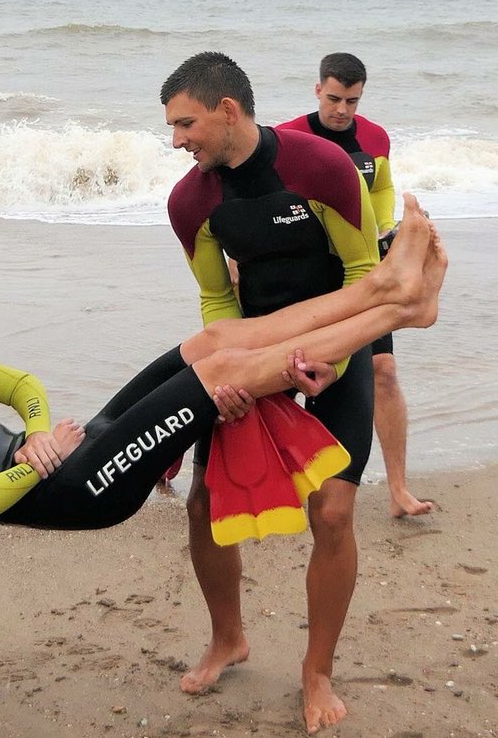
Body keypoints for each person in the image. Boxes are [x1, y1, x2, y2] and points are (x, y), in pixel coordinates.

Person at [0, 202, 443, 537]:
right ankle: (401, 313)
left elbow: (21, 387)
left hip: (70, 451)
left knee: (209, 341)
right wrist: (36, 463)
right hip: (77, 492)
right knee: (222, 373)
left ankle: (379, 286)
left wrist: (39, 430)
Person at [160, 51, 382, 733]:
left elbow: (363, 269)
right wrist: (235, 374)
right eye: (171, 127)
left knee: (335, 514)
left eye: (185, 123)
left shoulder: (321, 168)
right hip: (255, 357)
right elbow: (215, 298)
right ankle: (229, 636)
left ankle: (317, 671)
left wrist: (333, 361)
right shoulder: (191, 201)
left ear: (228, 111)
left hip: (337, 348)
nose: (177, 141)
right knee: (204, 505)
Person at [278, 52, 432, 519]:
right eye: (334, 98)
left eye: (352, 100)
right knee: (281, 378)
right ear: (316, 89)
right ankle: (270, 487)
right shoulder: (288, 138)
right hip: (302, 275)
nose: (342, 110)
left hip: (363, 274)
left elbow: (381, 185)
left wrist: (384, 224)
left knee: (382, 370)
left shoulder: (375, 137)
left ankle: (399, 490)